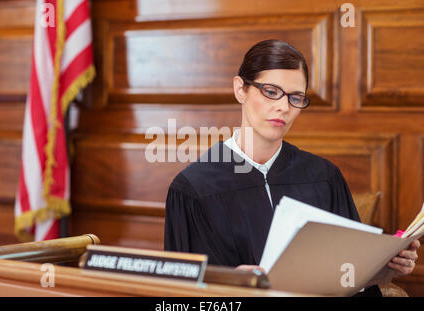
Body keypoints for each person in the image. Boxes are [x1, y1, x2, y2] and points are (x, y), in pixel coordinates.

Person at [164, 39, 420, 296]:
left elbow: (352, 276)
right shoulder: (193, 189)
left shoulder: (324, 177)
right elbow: (182, 293)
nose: (283, 107)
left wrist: (383, 263)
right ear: (240, 89)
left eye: (295, 97)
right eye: (271, 92)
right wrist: (227, 286)